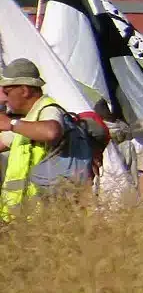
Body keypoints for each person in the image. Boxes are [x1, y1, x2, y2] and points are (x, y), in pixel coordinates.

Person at [0, 59, 93, 220]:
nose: (4, 99)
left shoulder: (49, 110)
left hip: (48, 215)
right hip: (24, 216)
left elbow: (51, 132)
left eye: (7, 93)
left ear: (24, 90)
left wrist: (10, 124)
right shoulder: (29, 121)